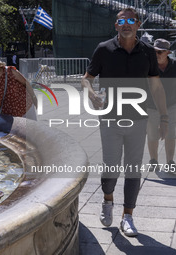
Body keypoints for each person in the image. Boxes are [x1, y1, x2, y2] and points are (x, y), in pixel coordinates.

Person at [81, 8, 168, 237]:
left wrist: (164, 117)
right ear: (116, 25)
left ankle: (127, 215)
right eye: (122, 21)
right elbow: (86, 79)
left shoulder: (147, 51)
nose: (127, 24)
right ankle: (108, 199)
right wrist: (91, 94)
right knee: (110, 167)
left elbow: (157, 87)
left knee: (133, 169)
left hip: (139, 119)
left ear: (138, 25)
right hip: (110, 117)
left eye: (131, 20)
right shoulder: (104, 49)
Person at [147, 38, 176, 171]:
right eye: (155, 52)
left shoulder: (174, 65)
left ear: (168, 52)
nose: (157, 54)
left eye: (160, 52)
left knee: (170, 134)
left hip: (171, 105)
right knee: (152, 134)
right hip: (151, 106)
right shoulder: (148, 65)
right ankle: (154, 160)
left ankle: (170, 161)